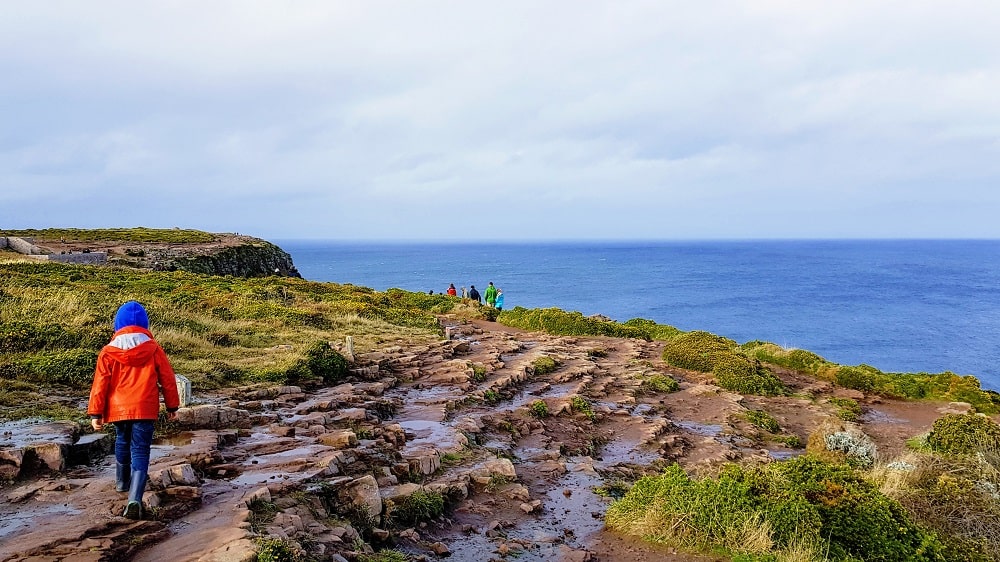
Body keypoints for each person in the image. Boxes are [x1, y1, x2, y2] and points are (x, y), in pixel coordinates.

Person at [88, 301, 180, 520]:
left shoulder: (108, 352)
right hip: (145, 408)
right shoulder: (154, 348)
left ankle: (121, 482)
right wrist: (172, 406)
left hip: (119, 408)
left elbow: (100, 384)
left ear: (118, 324)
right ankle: (134, 499)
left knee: (122, 440)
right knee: (140, 450)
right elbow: (167, 379)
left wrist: (96, 413)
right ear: (145, 324)